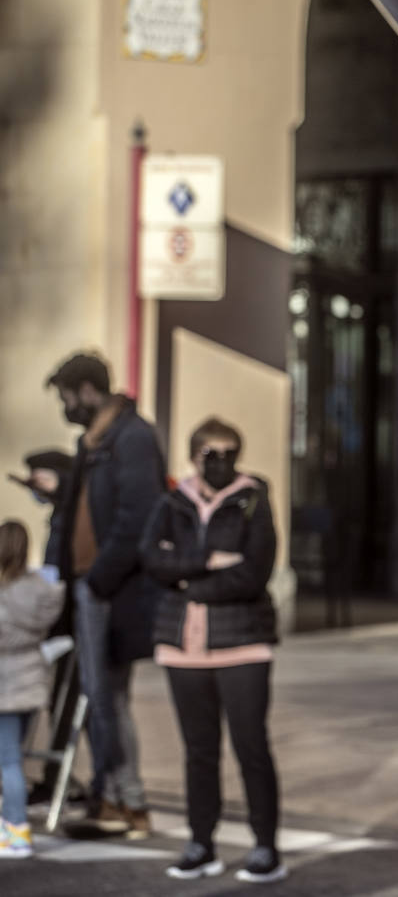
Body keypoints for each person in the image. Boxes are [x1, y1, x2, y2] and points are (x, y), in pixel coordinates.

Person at [139, 417, 286, 883]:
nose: (219, 462)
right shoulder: (171, 501)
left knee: (250, 747)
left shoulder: (254, 500)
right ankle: (201, 843)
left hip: (242, 644)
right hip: (184, 647)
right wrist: (205, 562)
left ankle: (266, 848)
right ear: (194, 455)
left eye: (228, 453)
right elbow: (152, 560)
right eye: (210, 454)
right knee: (198, 750)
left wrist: (188, 582)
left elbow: (254, 572)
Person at [44, 352, 164, 838]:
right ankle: (110, 794)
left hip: (110, 589)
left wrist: (97, 580)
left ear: (88, 390)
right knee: (97, 698)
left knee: (107, 696)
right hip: (84, 586)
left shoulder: (131, 438)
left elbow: (138, 516)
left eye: (67, 396)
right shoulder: (93, 442)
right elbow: (76, 513)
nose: (66, 406)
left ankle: (127, 800)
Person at [0, 521, 65, 858]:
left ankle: (16, 828)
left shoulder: (5, 593)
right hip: (32, 681)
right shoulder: (42, 588)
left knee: (8, 761)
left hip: (6, 686)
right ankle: (12, 825)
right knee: (15, 758)